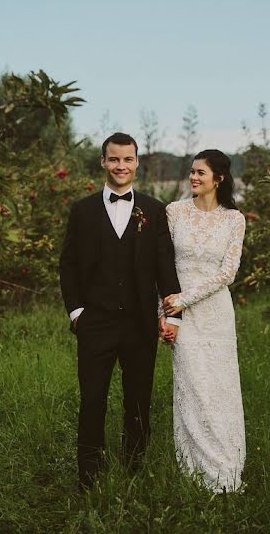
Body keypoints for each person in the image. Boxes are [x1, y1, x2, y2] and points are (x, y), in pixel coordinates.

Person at [59, 132, 182, 490]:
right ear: (102, 162)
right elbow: (68, 265)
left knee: (138, 401)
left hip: (140, 322)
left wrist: (172, 314)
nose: (121, 166)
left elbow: (165, 266)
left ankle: (134, 471)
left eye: (127, 159)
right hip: (94, 322)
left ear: (137, 162)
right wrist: (76, 312)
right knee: (92, 400)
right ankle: (88, 476)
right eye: (114, 159)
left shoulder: (154, 209)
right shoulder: (81, 211)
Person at [161, 149, 247, 494]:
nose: (193, 177)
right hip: (180, 317)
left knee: (219, 392)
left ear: (219, 178)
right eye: (192, 172)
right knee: (191, 388)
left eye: (200, 173)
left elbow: (228, 272)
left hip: (215, 316)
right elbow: (164, 269)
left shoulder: (234, 219)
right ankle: (193, 472)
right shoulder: (174, 212)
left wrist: (185, 298)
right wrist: (168, 314)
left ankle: (227, 472)